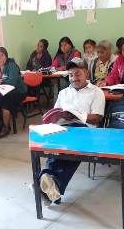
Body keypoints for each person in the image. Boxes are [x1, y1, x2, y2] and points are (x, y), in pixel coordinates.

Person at [39, 57, 105, 205]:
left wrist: (76, 115)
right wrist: (56, 116)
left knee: (71, 150)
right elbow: (56, 111)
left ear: (86, 73)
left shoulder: (96, 92)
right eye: (70, 75)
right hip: (64, 127)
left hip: (86, 129)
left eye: (77, 74)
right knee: (55, 148)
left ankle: (46, 182)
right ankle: (51, 186)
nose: (74, 78)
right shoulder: (63, 93)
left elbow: (97, 118)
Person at [0, 47, 27, 138]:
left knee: (5, 103)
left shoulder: (11, 65)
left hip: (18, 92)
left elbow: (13, 82)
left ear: (6, 56)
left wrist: (0, 82)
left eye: (2, 56)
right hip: (3, 92)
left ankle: (6, 127)